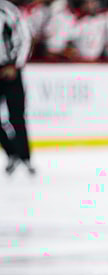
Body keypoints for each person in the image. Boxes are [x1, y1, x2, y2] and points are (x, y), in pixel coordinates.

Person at [0, 0, 34, 176]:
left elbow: (25, 37)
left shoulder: (7, 10)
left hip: (10, 69)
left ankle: (25, 157)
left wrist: (15, 64)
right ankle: (12, 152)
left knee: (16, 115)